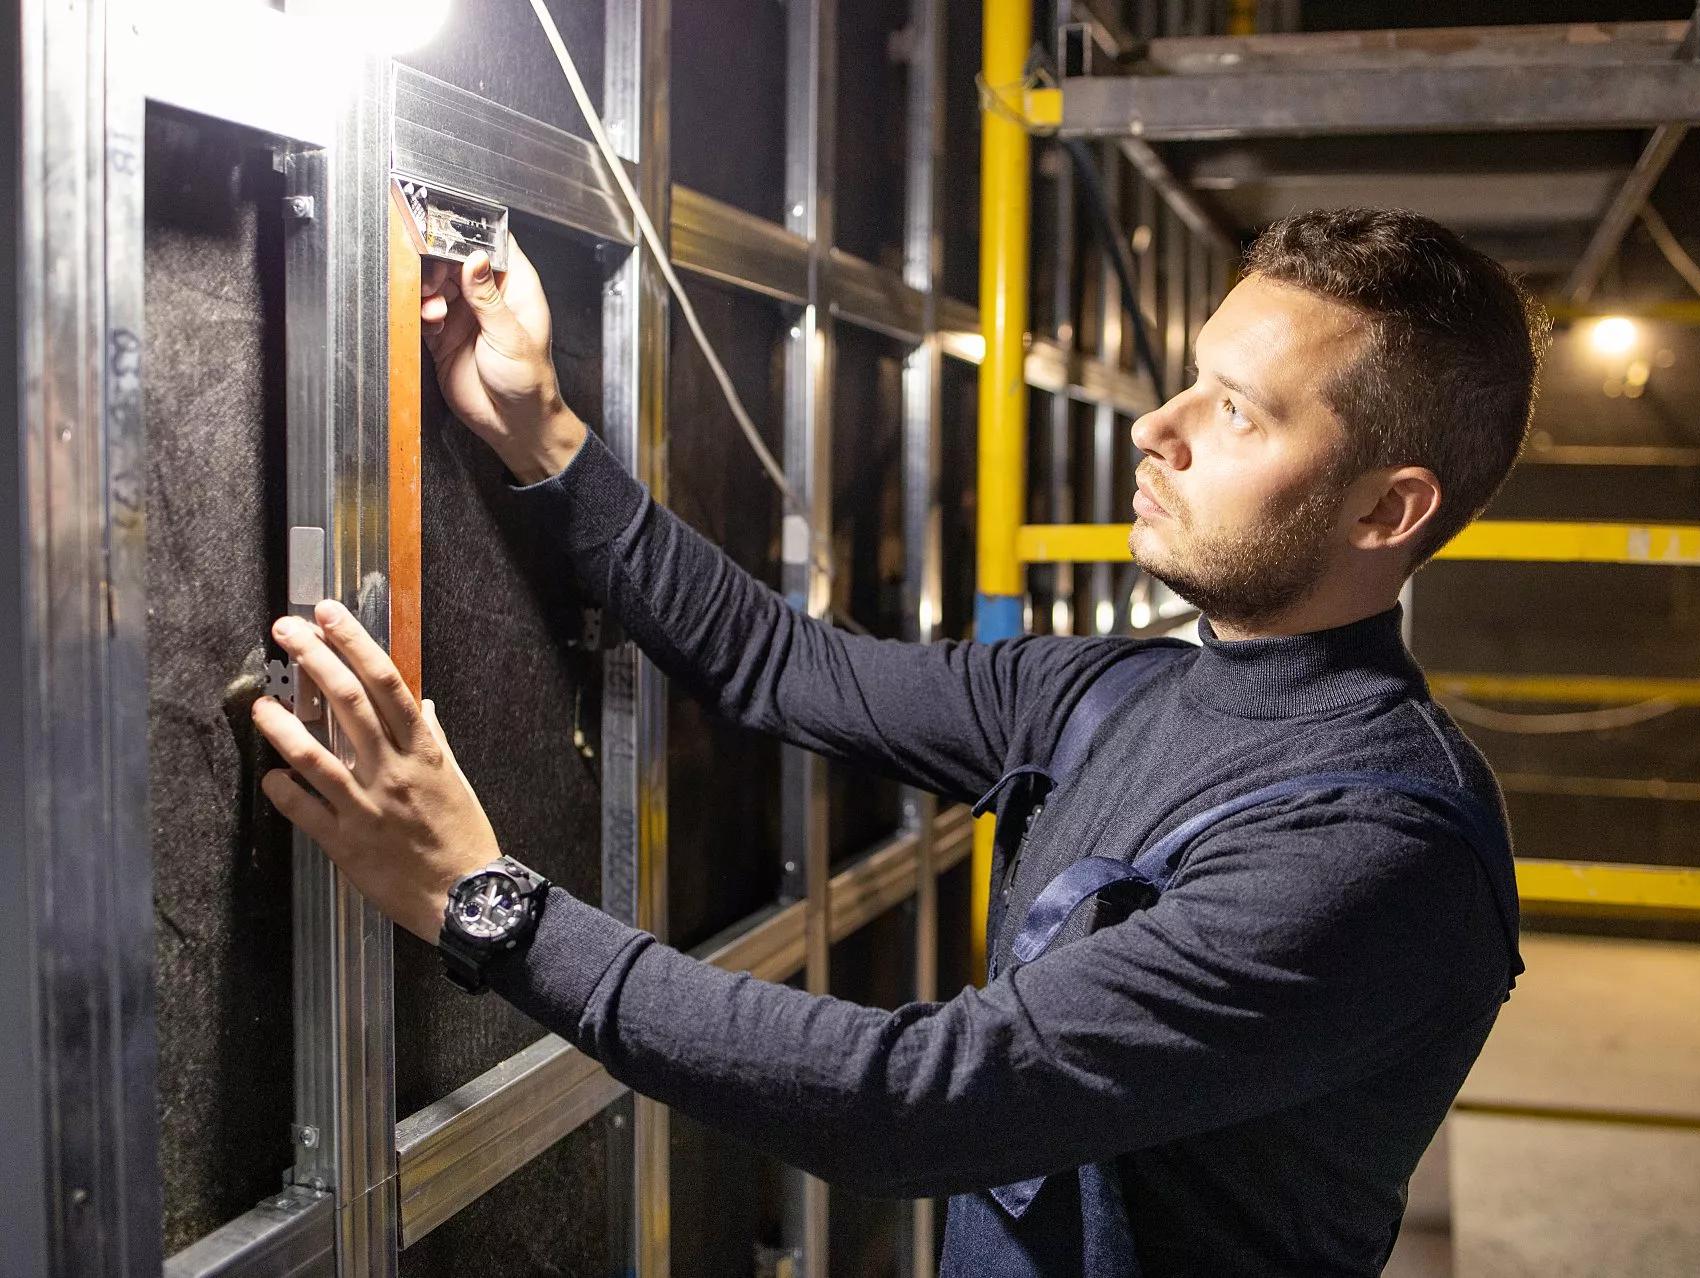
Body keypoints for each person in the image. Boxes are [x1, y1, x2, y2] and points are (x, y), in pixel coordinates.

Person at [253, 207, 1548, 1277]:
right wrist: (539, 431)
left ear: (1390, 508)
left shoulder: (1378, 851)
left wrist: (491, 907)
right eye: (1191, 380)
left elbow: (915, 1107)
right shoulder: (1129, 693)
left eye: (1242, 412)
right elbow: (785, 664)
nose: (1161, 427)